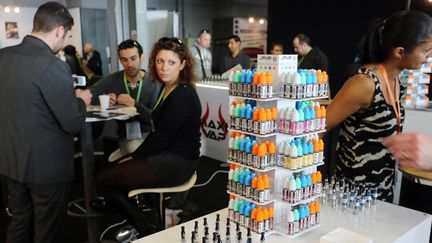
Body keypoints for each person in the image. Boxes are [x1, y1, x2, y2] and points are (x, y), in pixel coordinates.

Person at [0, 2, 92, 243]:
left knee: (19, 222)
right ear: (60, 30)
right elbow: (72, 122)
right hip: (46, 168)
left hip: (10, 160)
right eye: (68, 34)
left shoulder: (3, 56)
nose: (65, 40)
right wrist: (81, 100)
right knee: (47, 230)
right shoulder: (54, 66)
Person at [95, 37, 201, 236]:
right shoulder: (167, 88)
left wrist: (134, 157)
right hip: (166, 155)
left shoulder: (183, 94)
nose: (164, 68)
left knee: (102, 179)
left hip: (178, 162)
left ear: (183, 64)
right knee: (110, 174)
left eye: (171, 62)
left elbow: (161, 137)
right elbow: (157, 132)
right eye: (160, 61)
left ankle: (145, 227)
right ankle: (142, 222)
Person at [326, 10, 432, 201]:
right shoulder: (364, 83)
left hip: (382, 188)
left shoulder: (397, 81)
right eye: (425, 51)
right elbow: (318, 127)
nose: (427, 57)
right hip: (353, 195)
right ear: (399, 52)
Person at [90, 39, 160, 161]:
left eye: (133, 58)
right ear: (120, 60)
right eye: (124, 60)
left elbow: (156, 118)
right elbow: (86, 94)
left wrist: (135, 105)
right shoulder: (113, 79)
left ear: (141, 57)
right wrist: (104, 100)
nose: (129, 64)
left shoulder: (154, 82)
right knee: (139, 154)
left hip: (152, 135)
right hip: (127, 137)